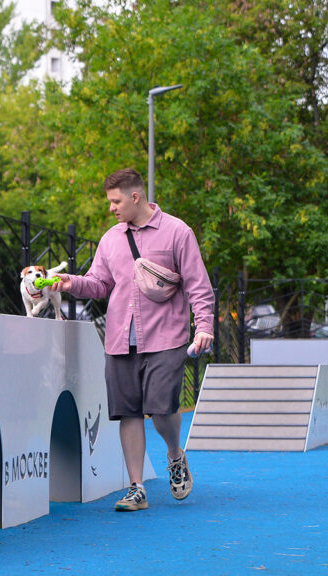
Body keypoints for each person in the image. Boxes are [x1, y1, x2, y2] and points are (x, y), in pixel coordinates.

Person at [56, 167, 214, 512]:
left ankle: (174, 453)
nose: (111, 208)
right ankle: (136, 488)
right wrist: (71, 283)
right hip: (119, 339)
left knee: (161, 410)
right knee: (127, 412)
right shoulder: (110, 239)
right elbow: (100, 284)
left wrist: (204, 326)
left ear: (135, 197)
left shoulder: (178, 232)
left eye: (116, 201)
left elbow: (198, 285)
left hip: (166, 336)